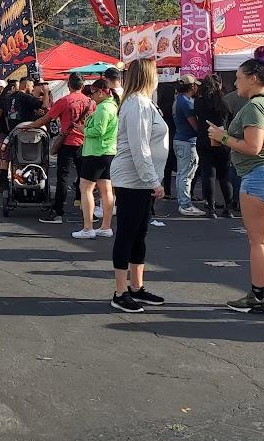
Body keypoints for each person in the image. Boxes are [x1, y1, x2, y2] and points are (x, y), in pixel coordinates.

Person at [207, 58, 264, 314]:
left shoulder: (254, 107)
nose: (235, 82)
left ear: (253, 78)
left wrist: (222, 136)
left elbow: (253, 147)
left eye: (238, 77)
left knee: (257, 240)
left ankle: (257, 297)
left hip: (258, 175)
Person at [108, 59, 170, 312]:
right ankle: (120, 291)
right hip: (133, 180)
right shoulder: (135, 105)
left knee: (139, 234)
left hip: (141, 180)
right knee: (127, 233)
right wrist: (153, 181)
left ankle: (136, 286)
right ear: (148, 76)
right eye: (156, 73)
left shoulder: (144, 103)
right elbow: (139, 147)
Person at [23, 73, 94, 226]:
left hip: (67, 142)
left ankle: (58, 212)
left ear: (69, 85)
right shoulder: (90, 102)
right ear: (82, 85)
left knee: (63, 178)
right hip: (85, 142)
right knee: (86, 179)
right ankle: (88, 212)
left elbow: (46, 118)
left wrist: (30, 126)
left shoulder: (64, 101)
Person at [72, 78, 117, 239]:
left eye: (92, 93)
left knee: (86, 188)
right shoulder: (110, 106)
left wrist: (83, 129)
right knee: (106, 190)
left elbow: (98, 131)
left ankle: (88, 227)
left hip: (96, 152)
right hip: (107, 152)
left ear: (100, 92)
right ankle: (105, 226)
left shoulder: (104, 109)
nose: (91, 97)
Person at [193, 75, 234, 219]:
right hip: (222, 139)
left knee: (208, 174)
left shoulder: (199, 102)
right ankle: (228, 207)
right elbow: (230, 118)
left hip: (205, 138)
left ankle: (211, 208)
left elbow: (197, 116)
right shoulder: (224, 101)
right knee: (224, 175)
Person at [172, 75, 201, 216]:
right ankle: (185, 204)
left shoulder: (178, 100)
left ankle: (183, 202)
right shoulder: (186, 102)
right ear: (192, 86)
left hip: (180, 139)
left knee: (182, 174)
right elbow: (195, 125)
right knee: (186, 174)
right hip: (187, 141)